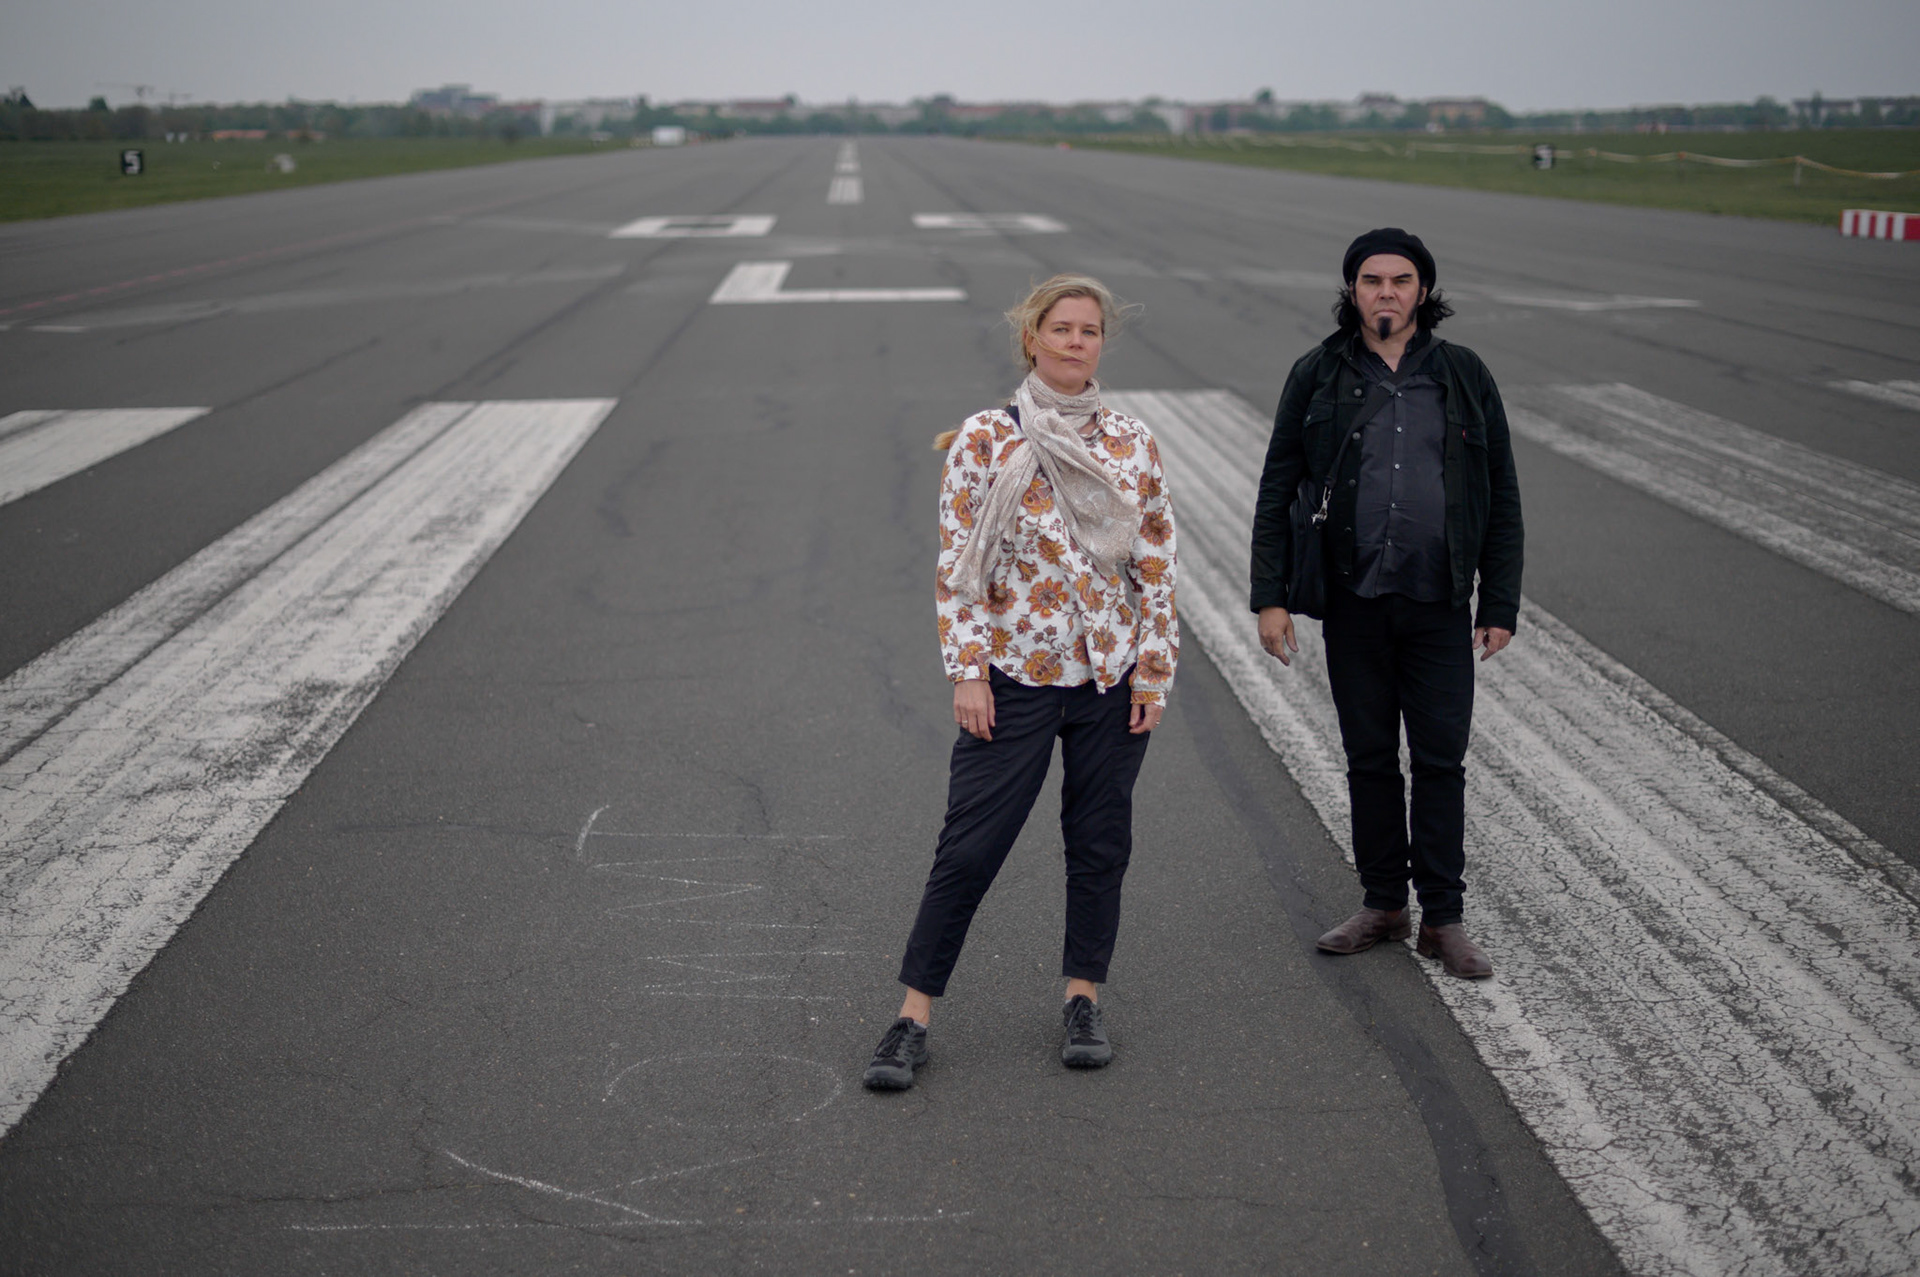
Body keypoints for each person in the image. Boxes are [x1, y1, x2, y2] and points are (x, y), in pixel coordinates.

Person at [862, 274, 1179, 1090]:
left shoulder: (1130, 440)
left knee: (1099, 843)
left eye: (1090, 331)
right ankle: (911, 1015)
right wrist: (968, 672)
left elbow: (1156, 561)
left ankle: (1083, 998)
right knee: (969, 847)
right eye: (1062, 328)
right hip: (1015, 675)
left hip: (1109, 675)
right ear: (1032, 336)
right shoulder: (983, 439)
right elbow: (956, 568)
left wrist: (1153, 668)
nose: (1077, 341)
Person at [1248, 228, 1522, 979]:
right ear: (1353, 291)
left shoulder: (1463, 374)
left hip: (1437, 602)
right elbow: (1278, 485)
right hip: (1354, 598)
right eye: (1372, 281)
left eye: (1402, 280)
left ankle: (1444, 917)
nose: (1387, 293)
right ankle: (1383, 904)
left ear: (1423, 291)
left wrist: (1498, 599)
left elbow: (1499, 494)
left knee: (1440, 760)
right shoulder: (1319, 373)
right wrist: (1268, 597)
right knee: (1369, 759)